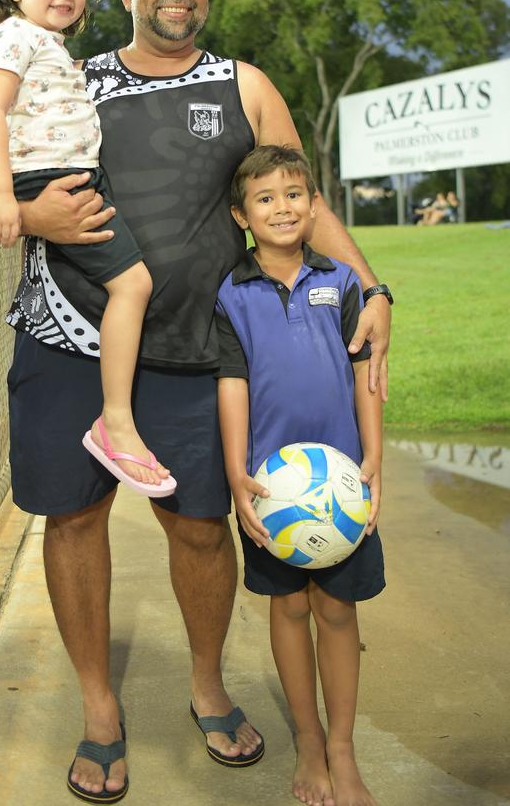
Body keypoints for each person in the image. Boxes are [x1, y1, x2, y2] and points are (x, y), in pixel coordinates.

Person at [0, 0, 392, 803]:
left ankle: (207, 685)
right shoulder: (69, 74)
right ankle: (98, 710)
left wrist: (372, 286)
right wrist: (23, 215)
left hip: (191, 346)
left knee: (201, 528)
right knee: (74, 521)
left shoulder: (242, 84)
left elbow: (299, 202)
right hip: (62, 332)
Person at [0, 0, 173, 495]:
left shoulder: (48, 44)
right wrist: (6, 196)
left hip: (71, 175)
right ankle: (115, 422)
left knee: (125, 285)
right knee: (133, 285)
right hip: (47, 179)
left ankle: (113, 414)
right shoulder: (13, 36)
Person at [216, 144, 384, 806]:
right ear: (241, 216)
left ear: (314, 206)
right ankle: (308, 745)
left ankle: (341, 750)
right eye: (265, 198)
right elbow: (233, 385)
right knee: (287, 606)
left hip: (342, 488)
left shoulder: (342, 283)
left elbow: (366, 376)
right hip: (273, 492)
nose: (282, 207)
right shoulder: (233, 293)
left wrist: (375, 462)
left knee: (336, 611)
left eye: (294, 194)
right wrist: (235, 471)